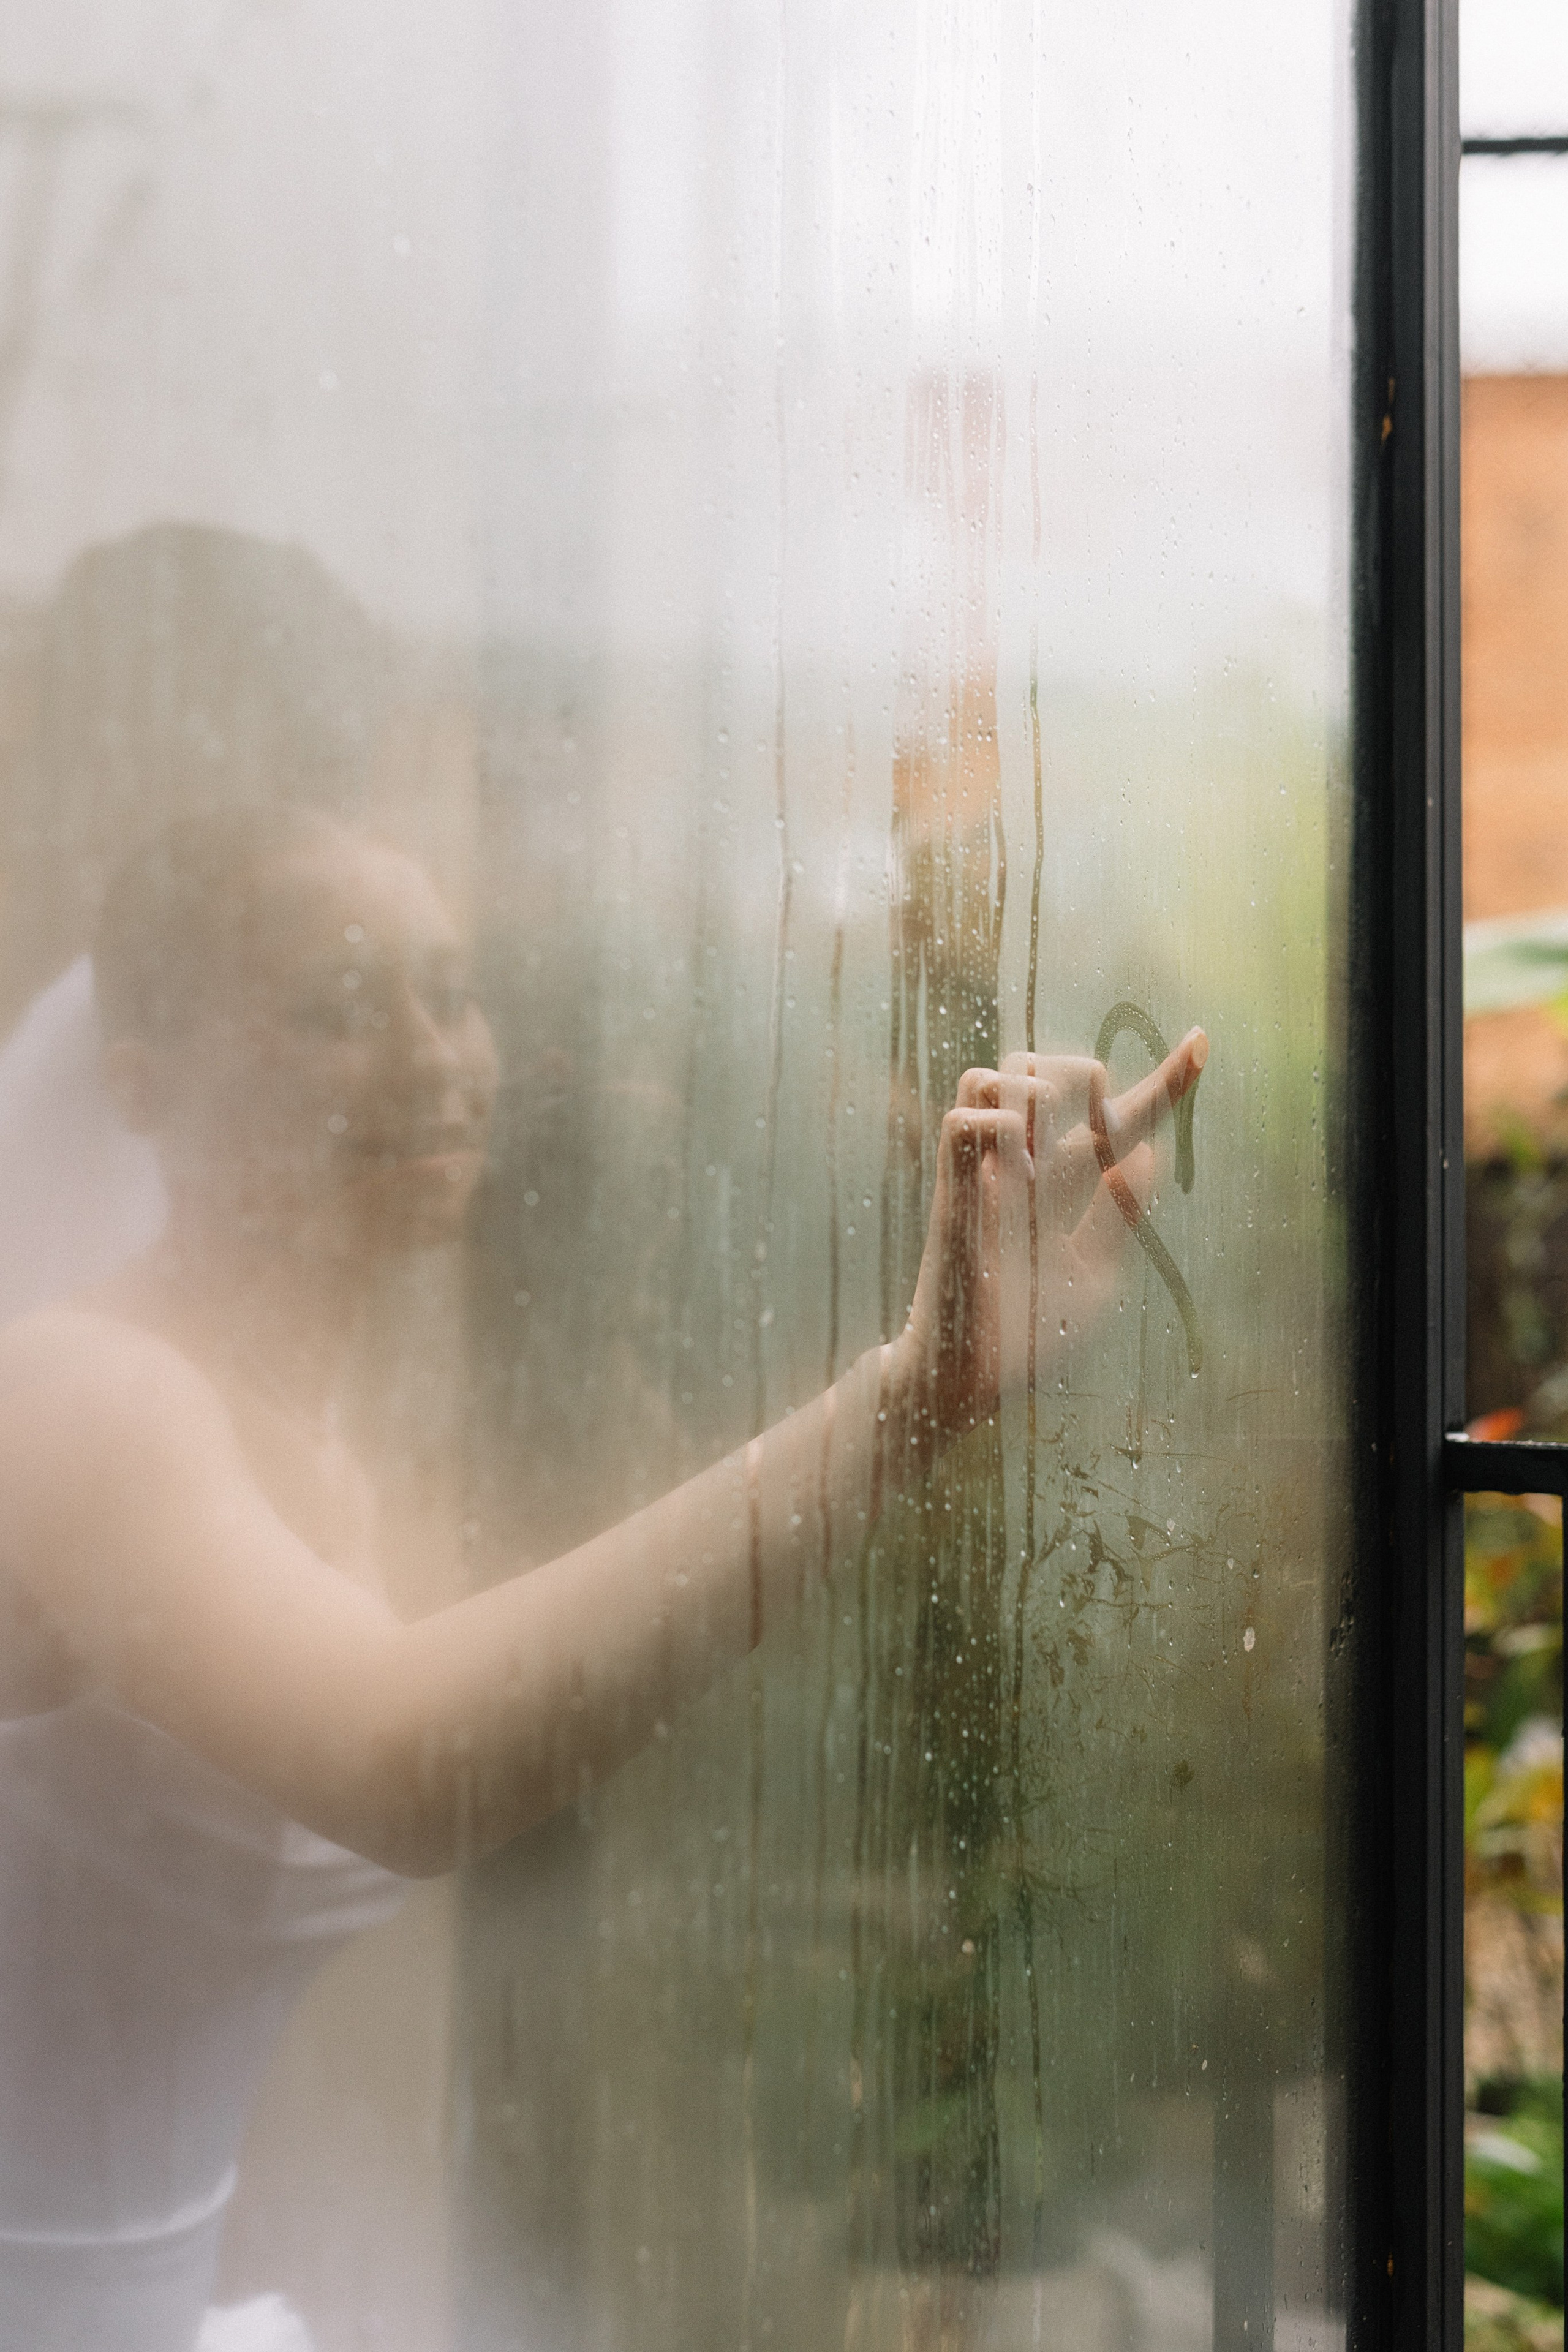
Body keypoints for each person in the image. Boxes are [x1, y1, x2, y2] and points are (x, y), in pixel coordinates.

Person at [0, 804, 1206, 2350]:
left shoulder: (341, 1439)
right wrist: (908, 1391)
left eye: (449, 991)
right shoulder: (76, 1400)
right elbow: (404, 1761)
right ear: (140, 1087)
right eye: (341, 1006)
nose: (435, 1054)